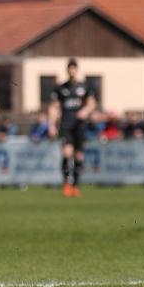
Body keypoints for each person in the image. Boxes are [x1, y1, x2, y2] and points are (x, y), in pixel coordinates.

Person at [48, 58, 97, 197]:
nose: (72, 71)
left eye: (74, 68)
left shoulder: (84, 87)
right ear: (67, 70)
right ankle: (66, 184)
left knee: (79, 156)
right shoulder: (61, 88)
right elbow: (54, 107)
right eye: (70, 68)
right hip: (66, 125)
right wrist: (51, 125)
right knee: (67, 153)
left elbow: (92, 103)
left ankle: (76, 186)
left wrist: (85, 111)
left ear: (77, 70)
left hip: (80, 126)